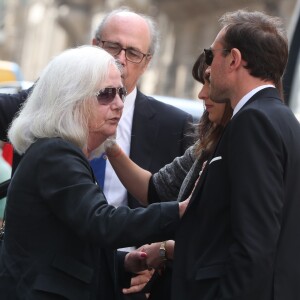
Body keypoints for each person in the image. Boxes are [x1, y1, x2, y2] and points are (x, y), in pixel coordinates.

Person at [0, 45, 189, 300]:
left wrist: (125, 263)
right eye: (106, 94)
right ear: (71, 98)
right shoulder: (56, 153)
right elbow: (102, 223)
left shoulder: (61, 151)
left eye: (121, 92)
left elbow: (71, 249)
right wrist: (179, 210)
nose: (119, 104)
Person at [169, 9, 300, 300]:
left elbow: (254, 244)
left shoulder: (254, 122)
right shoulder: (281, 119)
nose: (209, 64)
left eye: (211, 53)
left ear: (234, 59)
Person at [105, 52, 233, 299]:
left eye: (210, 83)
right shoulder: (205, 145)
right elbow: (155, 189)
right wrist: (109, 144)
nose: (202, 94)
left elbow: (220, 240)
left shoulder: (240, 144)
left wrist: (165, 249)